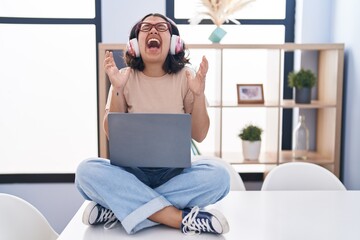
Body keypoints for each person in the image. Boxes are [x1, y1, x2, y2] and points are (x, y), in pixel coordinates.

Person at [75, 13, 230, 235]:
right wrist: (117, 88)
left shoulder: (187, 77)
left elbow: (200, 133)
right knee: (85, 172)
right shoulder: (123, 76)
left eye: (161, 27)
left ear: (174, 42)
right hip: (130, 175)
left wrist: (198, 94)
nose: (153, 31)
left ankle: (122, 208)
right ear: (135, 44)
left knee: (220, 177)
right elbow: (111, 134)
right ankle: (178, 218)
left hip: (174, 175)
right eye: (145, 27)